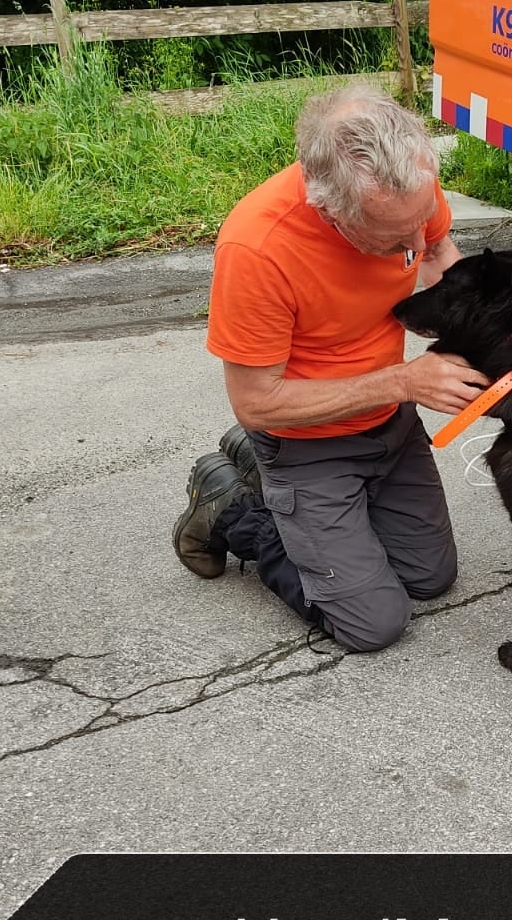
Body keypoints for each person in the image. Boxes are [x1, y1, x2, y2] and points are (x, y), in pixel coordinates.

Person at [171, 83, 489, 651]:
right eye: (393, 236)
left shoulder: (406, 184)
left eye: (421, 218)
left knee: (429, 579)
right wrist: (404, 381)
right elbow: (256, 402)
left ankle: (263, 472)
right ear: (330, 210)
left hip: (390, 427)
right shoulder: (258, 249)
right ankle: (233, 507)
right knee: (374, 623)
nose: (416, 239)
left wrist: (482, 335)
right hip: (307, 442)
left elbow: (441, 254)